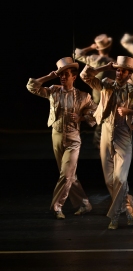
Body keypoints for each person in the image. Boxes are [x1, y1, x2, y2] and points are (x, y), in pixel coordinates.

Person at [81, 56, 133, 229]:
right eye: (118, 70)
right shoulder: (105, 84)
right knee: (109, 180)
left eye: (123, 71)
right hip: (106, 133)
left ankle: (114, 216)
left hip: (123, 135)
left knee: (120, 178)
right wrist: (103, 67)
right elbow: (85, 76)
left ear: (129, 74)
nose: (119, 73)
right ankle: (128, 204)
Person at [26, 57, 98, 219]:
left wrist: (80, 118)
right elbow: (32, 86)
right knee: (68, 175)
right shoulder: (53, 90)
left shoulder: (82, 96)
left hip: (73, 138)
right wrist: (49, 76)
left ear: (74, 77)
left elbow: (95, 112)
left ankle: (57, 206)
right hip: (56, 135)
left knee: (66, 175)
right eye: (61, 75)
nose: (63, 77)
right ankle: (85, 204)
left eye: (66, 74)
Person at [74, 34, 115, 148]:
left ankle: (99, 141)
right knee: (106, 116)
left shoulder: (92, 59)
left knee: (99, 115)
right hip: (108, 92)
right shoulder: (112, 62)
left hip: (97, 93)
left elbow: (76, 54)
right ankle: (103, 141)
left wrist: (91, 47)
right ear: (109, 47)